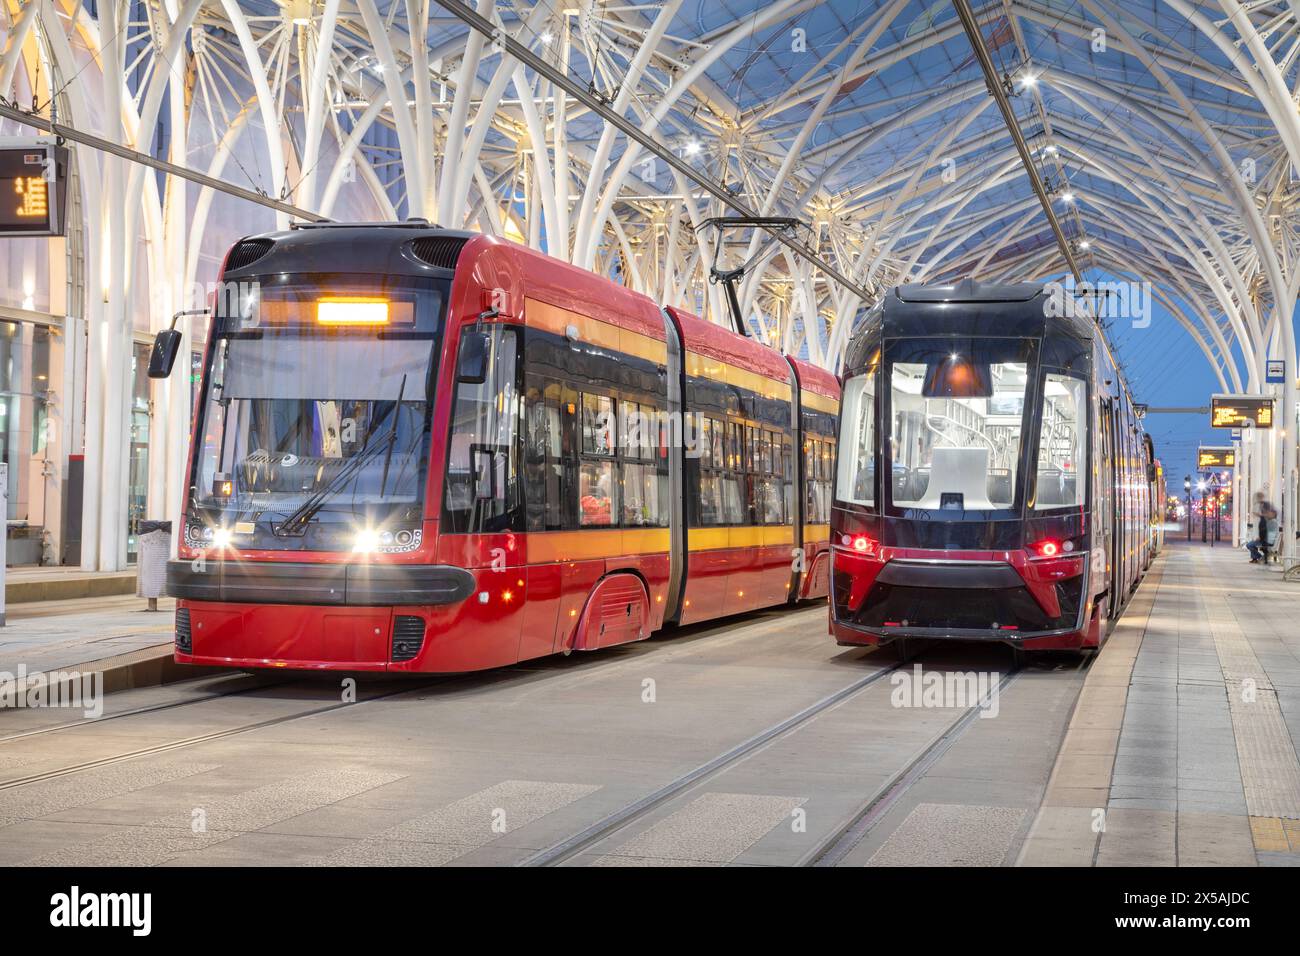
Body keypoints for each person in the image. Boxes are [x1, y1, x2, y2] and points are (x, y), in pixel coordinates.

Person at [1248, 490, 1276, 563]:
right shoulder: (1263, 519)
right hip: (1263, 539)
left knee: (1249, 545)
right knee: (1251, 544)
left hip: (1265, 541)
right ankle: (1256, 558)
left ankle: (1259, 557)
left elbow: (1266, 531)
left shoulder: (1268, 521)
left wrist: (1260, 538)